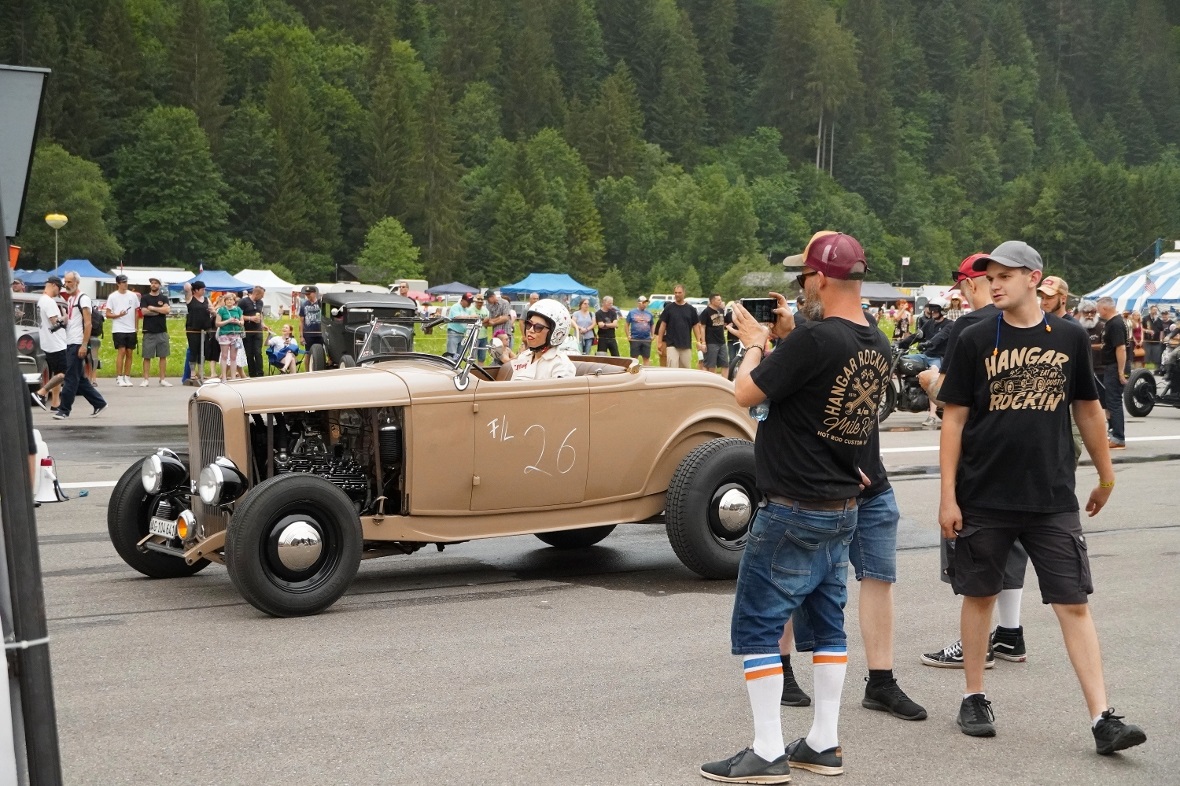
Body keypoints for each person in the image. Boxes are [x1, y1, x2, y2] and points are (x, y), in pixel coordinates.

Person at [937, 240, 1146, 756]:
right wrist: (947, 496)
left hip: (1052, 496)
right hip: (983, 494)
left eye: (1006, 274)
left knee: (1073, 602)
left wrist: (1106, 475)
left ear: (1035, 277)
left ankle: (1102, 718)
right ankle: (974, 696)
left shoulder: (1071, 336)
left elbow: (1089, 410)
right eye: (990, 275)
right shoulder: (974, 337)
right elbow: (954, 419)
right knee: (980, 595)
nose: (995, 282)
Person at [700, 231, 889, 783]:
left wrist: (758, 341)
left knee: (759, 625)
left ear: (821, 278)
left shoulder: (813, 341)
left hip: (792, 506)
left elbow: (744, 393)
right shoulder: (874, 341)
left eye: (804, 278)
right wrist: (789, 336)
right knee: (828, 624)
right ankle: (823, 744)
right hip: (841, 504)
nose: (801, 288)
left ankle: (766, 750)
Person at [919, 255, 1029, 669]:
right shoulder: (1026, 323)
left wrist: (928, 381)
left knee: (974, 549)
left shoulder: (971, 327)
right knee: (1014, 542)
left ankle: (976, 644)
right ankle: (1011, 634)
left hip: (977, 451)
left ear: (969, 285)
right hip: (1021, 452)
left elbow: (951, 398)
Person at [54, 272, 107, 420]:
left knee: (71, 377)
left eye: (70, 281)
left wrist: (84, 345)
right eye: (66, 281)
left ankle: (64, 410)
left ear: (77, 282)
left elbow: (88, 323)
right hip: (70, 341)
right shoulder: (71, 299)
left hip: (78, 343)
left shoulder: (83, 299)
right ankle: (99, 403)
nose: (67, 284)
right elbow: (72, 320)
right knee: (79, 378)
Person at [493, 298, 576, 380]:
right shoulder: (524, 357)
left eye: (538, 327)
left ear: (555, 333)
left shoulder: (561, 366)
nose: (530, 330)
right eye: (529, 324)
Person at [912, 297, 952, 426]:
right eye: (931, 308)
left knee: (933, 378)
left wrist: (928, 343)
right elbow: (918, 335)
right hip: (925, 355)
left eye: (935, 309)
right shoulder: (929, 323)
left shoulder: (949, 324)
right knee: (904, 360)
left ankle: (932, 415)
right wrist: (901, 344)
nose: (932, 311)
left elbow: (939, 337)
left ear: (943, 310)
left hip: (938, 357)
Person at [31, 276, 67, 411]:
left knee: (57, 373)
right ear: (53, 285)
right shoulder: (49, 302)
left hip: (48, 342)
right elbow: (55, 323)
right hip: (56, 343)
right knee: (63, 372)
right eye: (58, 287)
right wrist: (66, 318)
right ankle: (41, 393)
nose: (59, 291)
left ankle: (55, 403)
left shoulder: (41, 300)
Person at [1096, 297, 1127, 450]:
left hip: (1114, 366)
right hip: (1110, 366)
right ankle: (1113, 433)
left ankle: (1118, 437)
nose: (1097, 311)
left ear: (1105, 308)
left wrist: (1121, 371)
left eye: (1098, 308)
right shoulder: (1112, 323)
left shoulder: (1116, 324)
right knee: (1109, 401)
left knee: (1113, 401)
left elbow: (1121, 348)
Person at [105, 274, 140, 386]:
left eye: (126, 281)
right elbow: (108, 314)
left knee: (130, 352)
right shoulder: (112, 296)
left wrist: (136, 326)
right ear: (118, 284)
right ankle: (119, 376)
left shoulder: (133, 296)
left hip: (131, 329)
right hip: (119, 328)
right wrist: (118, 315)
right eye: (123, 282)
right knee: (122, 351)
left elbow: (136, 312)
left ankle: (127, 376)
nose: (125, 284)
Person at [139, 277, 172, 386]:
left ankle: (162, 379)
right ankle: (146, 379)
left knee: (163, 356)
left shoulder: (164, 297)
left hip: (162, 330)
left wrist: (153, 308)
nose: (153, 285)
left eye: (156, 283)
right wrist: (159, 310)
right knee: (147, 356)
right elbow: (144, 312)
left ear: (159, 285)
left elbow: (167, 310)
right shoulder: (145, 298)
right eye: (152, 283)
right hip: (148, 331)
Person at [656, 284, 698, 368]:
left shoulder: (691, 309)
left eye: (679, 293)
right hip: (672, 344)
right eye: (675, 293)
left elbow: (695, 326)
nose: (677, 295)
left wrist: (699, 341)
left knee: (685, 369)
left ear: (684, 293)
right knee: (672, 368)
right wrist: (659, 342)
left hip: (686, 344)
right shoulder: (669, 308)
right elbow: (663, 325)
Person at [183, 282, 216, 385]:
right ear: (196, 290)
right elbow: (187, 286)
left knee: (203, 351)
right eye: (202, 289)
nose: (204, 291)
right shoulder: (190, 298)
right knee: (194, 350)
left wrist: (212, 311)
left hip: (205, 329)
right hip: (193, 328)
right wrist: (192, 286)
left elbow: (214, 312)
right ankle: (192, 373)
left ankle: (201, 372)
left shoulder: (206, 300)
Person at [215, 292, 246, 381]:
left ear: (234, 301)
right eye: (227, 299)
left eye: (231, 299)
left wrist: (237, 322)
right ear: (225, 301)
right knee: (224, 356)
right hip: (224, 334)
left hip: (236, 335)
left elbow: (242, 322)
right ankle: (224, 377)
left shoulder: (238, 310)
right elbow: (217, 323)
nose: (229, 301)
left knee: (233, 357)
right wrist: (228, 321)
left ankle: (233, 377)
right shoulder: (221, 310)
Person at [698, 293, 730, 374]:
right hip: (711, 341)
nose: (720, 301)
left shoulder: (721, 310)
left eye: (720, 300)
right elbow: (702, 327)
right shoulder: (706, 312)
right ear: (712, 301)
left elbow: (723, 324)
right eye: (718, 300)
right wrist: (704, 342)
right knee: (711, 365)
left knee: (725, 364)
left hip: (721, 341)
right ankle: (710, 382)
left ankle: (724, 383)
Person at [240, 285, 266, 378]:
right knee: (249, 353)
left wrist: (263, 324)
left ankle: (260, 373)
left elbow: (261, 314)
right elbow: (239, 315)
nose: (262, 297)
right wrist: (250, 318)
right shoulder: (243, 302)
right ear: (256, 293)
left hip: (258, 330)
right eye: (262, 295)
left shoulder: (260, 302)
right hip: (247, 330)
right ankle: (252, 373)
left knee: (258, 352)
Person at [445, 292, 476, 358]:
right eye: (468, 302)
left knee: (460, 355)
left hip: (462, 334)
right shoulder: (455, 307)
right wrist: (470, 317)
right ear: (462, 300)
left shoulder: (467, 310)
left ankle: (457, 365)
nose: (469, 304)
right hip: (454, 332)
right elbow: (457, 317)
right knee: (452, 354)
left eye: (470, 302)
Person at [299, 286, 323, 368]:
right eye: (306, 294)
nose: (307, 296)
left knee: (322, 353)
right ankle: (307, 372)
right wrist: (301, 336)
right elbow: (301, 321)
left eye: (309, 294)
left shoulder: (321, 303)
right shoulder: (304, 305)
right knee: (308, 353)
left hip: (320, 333)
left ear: (314, 293)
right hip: (308, 334)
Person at [627, 296, 654, 364]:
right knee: (634, 358)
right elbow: (626, 324)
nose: (645, 304)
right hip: (635, 339)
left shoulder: (649, 313)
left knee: (646, 357)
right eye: (643, 302)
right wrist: (628, 335)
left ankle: (647, 372)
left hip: (646, 339)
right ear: (639, 303)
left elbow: (652, 324)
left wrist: (652, 335)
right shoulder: (632, 312)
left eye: (646, 303)